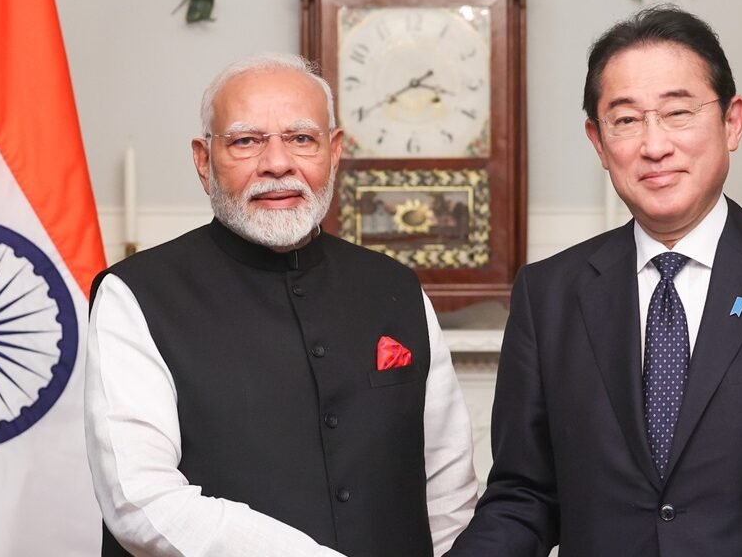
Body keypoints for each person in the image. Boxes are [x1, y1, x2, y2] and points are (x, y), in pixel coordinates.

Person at [448, 6, 742, 556]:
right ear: (598, 141)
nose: (654, 145)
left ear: (732, 122)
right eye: (626, 120)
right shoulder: (548, 295)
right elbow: (524, 496)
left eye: (678, 113)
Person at [84, 52, 478, 557]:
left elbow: (447, 488)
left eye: (301, 138)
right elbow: (137, 498)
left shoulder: (396, 287)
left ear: (334, 152)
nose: (277, 163)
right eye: (246, 141)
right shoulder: (134, 295)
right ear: (204, 160)